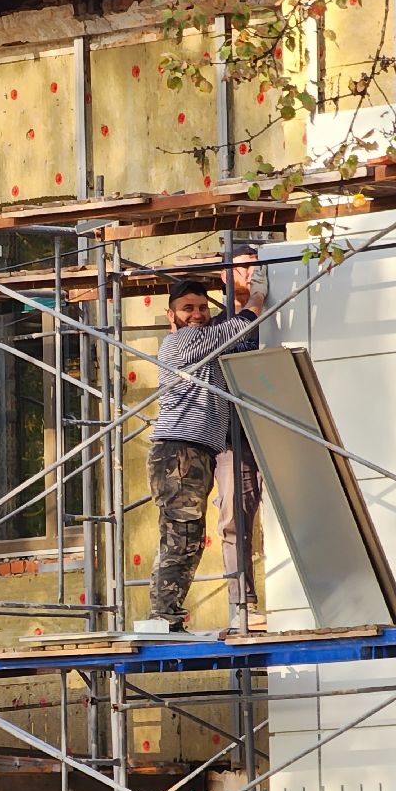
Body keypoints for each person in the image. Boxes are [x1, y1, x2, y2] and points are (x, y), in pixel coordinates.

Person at [146, 269, 266, 630]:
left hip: (196, 451)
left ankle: (168, 614)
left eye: (202, 307)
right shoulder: (180, 343)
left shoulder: (207, 347)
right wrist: (256, 298)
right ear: (172, 315)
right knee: (181, 535)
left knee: (190, 538)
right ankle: (163, 615)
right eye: (187, 308)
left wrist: (244, 298)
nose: (196, 314)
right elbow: (238, 328)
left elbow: (244, 341)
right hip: (178, 452)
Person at [212, 249, 267, 631]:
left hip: (281, 428)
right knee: (233, 519)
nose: (250, 273)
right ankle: (242, 604)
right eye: (242, 266)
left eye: (255, 266)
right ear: (223, 275)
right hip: (234, 437)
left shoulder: (280, 319)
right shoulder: (214, 327)